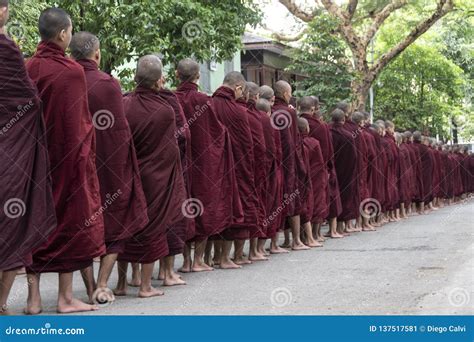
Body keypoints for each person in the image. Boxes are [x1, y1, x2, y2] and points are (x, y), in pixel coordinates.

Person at [25, 7, 105, 314]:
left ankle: (33, 301)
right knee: (69, 225)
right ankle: (65, 298)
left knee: (34, 223)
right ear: (62, 34)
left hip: (32, 162)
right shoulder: (72, 72)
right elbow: (79, 126)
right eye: (70, 31)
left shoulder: (28, 67)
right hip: (67, 161)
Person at [70, 32, 149, 301]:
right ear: (97, 54)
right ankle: (103, 283)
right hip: (108, 163)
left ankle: (91, 285)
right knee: (118, 217)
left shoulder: (64, 78)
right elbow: (119, 131)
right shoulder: (108, 84)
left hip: (72, 164)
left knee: (79, 220)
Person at [0, 0, 56, 314]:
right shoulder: (7, 51)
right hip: (9, 154)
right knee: (14, 224)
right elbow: (30, 101)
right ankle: (0, 302)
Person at [115, 55, 186, 297]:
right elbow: (172, 148)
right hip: (156, 177)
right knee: (152, 227)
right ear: (158, 83)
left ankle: (122, 283)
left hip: (129, 174)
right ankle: (145, 287)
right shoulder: (165, 110)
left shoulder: (123, 104)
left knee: (127, 226)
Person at [174, 58, 242, 272]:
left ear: (176, 75)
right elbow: (217, 133)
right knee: (204, 207)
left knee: (185, 207)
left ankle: (185, 262)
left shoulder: (171, 99)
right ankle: (197, 261)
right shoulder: (203, 100)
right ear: (198, 76)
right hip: (204, 164)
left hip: (179, 162)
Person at [212, 71, 256, 269]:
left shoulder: (208, 105)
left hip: (212, 167)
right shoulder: (238, 111)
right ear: (238, 87)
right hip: (237, 167)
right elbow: (247, 146)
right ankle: (227, 257)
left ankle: (211, 257)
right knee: (236, 209)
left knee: (216, 208)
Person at [272, 81, 309, 250]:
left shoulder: (271, 110)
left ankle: (275, 243)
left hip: (274, 162)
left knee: (275, 200)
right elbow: (295, 141)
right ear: (286, 94)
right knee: (293, 199)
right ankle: (296, 241)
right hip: (289, 163)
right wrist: (300, 164)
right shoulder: (289, 112)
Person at [329, 109, 359, 235]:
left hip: (331, 169)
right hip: (346, 171)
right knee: (344, 196)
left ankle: (332, 228)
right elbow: (354, 157)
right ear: (343, 119)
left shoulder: (327, 132)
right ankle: (340, 227)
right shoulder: (348, 136)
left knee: (331, 197)